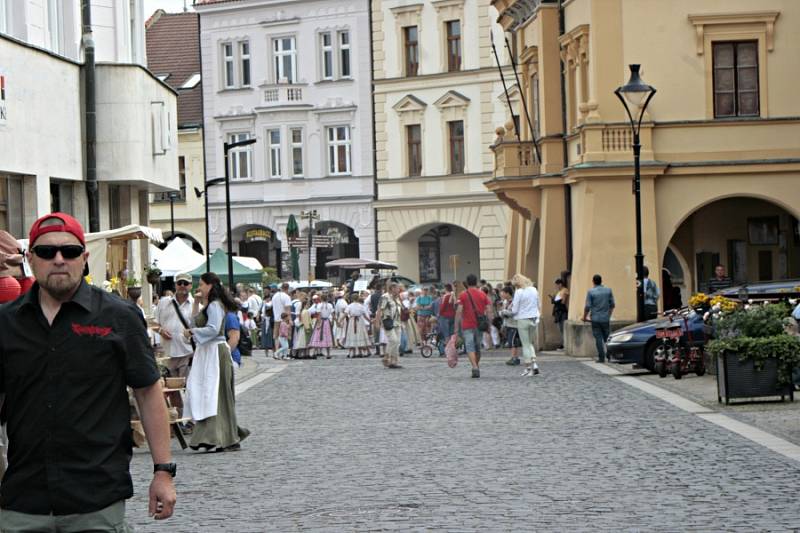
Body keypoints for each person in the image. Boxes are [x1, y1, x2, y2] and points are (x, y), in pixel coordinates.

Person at [0, 212, 176, 529]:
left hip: (96, 498)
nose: (58, 259)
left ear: (83, 258)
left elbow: (149, 392)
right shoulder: (6, 322)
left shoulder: (118, 317)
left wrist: (163, 471)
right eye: (45, 251)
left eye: (68, 251)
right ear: (29, 258)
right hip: (22, 500)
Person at [184, 272, 250, 452]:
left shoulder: (215, 305)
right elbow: (194, 321)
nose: (199, 288)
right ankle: (219, 436)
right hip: (208, 352)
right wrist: (197, 303)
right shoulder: (209, 305)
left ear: (210, 286)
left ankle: (219, 437)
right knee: (210, 393)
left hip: (215, 352)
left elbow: (213, 329)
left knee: (216, 394)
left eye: (202, 285)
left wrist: (193, 333)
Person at [155, 272, 195, 377]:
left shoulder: (196, 305)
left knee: (188, 388)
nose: (182, 285)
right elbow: (154, 323)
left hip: (187, 353)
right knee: (171, 390)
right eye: (179, 283)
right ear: (175, 285)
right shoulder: (163, 302)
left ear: (190, 285)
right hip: (167, 353)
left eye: (185, 283)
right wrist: (160, 331)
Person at [456, 274, 490, 378]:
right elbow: (489, 310)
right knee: (477, 347)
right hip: (479, 325)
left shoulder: (463, 295)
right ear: (477, 282)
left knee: (470, 347)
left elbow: (459, 311)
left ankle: (475, 367)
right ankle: (476, 366)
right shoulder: (483, 294)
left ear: (467, 282)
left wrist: (456, 327)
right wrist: (489, 324)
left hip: (467, 325)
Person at [510, 274, 541, 377]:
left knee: (525, 344)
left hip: (523, 319)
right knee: (530, 343)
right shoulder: (534, 289)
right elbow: (538, 305)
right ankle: (535, 365)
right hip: (534, 319)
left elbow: (514, 309)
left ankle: (528, 368)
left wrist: (509, 311)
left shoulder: (519, 292)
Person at [582, 274, 616, 363]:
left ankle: (601, 357)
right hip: (605, 318)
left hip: (595, 318)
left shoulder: (591, 292)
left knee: (598, 338)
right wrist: (608, 315)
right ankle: (610, 356)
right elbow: (612, 305)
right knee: (607, 338)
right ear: (601, 281)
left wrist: (584, 317)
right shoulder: (608, 290)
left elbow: (587, 306)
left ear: (593, 281)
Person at [376, 282, 403, 369]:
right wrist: (377, 321)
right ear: (392, 288)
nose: (399, 290)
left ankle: (394, 361)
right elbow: (379, 309)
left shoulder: (398, 298)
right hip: (388, 322)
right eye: (397, 288)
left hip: (397, 322)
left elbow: (399, 309)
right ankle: (386, 357)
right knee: (393, 340)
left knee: (397, 343)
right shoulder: (385, 297)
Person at [500, 286, 522, 365]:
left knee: (512, 342)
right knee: (511, 342)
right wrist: (502, 313)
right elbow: (503, 311)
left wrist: (504, 312)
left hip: (514, 325)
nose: (501, 295)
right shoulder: (505, 302)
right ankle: (514, 357)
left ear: (507, 293)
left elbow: (513, 312)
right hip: (508, 324)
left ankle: (514, 358)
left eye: (503, 293)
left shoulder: (514, 301)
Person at [309, 293, 334, 359]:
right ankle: (328, 354)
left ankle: (314, 353)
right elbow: (333, 314)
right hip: (327, 322)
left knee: (317, 336)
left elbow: (319, 315)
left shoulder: (319, 305)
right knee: (327, 336)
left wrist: (319, 324)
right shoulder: (330, 305)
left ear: (321, 299)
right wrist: (333, 321)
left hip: (321, 321)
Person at [549, 278, 569, 350]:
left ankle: (565, 344)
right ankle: (563, 343)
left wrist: (556, 301)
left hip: (562, 311)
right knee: (560, 328)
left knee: (562, 327)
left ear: (560, 284)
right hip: (558, 310)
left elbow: (563, 302)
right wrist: (553, 299)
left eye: (557, 285)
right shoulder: (559, 291)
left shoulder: (565, 290)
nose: (556, 287)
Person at [271, 282, 292, 347]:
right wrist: (290, 320)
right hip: (284, 319)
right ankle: (283, 352)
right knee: (284, 335)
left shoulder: (274, 296)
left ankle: (277, 352)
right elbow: (287, 310)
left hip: (276, 318)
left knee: (276, 336)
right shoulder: (287, 297)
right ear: (287, 289)